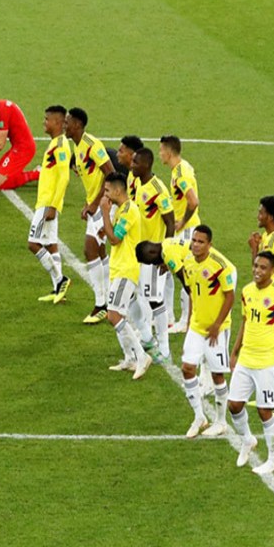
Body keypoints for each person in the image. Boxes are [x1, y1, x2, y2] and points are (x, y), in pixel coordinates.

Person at [228, 251, 274, 474]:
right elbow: (245, 321)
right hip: (246, 359)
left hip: (268, 362)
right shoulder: (247, 291)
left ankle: (273, 460)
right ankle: (248, 440)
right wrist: (234, 351)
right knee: (234, 404)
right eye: (256, 266)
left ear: (272, 271)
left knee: (264, 410)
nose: (258, 271)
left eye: (263, 267)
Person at [178, 225, 237, 438]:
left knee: (217, 375)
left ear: (209, 244)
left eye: (201, 241)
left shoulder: (221, 266)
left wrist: (217, 325)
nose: (195, 244)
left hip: (217, 330)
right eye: (194, 240)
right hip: (196, 326)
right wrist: (189, 322)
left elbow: (230, 296)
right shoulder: (188, 263)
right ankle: (199, 417)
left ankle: (221, 422)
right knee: (187, 368)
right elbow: (193, 293)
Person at [64, 108, 115, 323]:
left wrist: (95, 203)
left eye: (67, 122)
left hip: (106, 204)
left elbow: (110, 173)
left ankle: (101, 304)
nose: (65, 126)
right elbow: (93, 180)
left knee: (89, 248)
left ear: (77, 124)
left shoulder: (92, 145)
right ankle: (112, 297)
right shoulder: (78, 147)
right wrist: (88, 203)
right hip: (97, 204)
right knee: (100, 252)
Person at [101, 172, 151, 379]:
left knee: (113, 315)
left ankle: (141, 356)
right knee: (119, 314)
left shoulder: (130, 210)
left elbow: (114, 239)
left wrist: (104, 213)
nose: (104, 195)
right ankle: (129, 358)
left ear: (118, 190)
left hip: (126, 270)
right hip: (118, 268)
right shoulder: (121, 209)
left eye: (106, 190)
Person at [130, 148, 175, 362]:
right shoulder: (139, 184)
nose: (132, 165)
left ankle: (164, 349)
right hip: (141, 253)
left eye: (135, 162)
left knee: (155, 300)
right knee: (142, 295)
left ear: (146, 165)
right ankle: (149, 337)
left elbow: (170, 222)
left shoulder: (158, 189)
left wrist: (166, 254)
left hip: (155, 256)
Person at [248, 195, 274, 416]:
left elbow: (261, 269)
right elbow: (257, 271)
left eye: (261, 211)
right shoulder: (268, 236)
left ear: (270, 216)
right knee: (271, 347)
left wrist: (255, 249)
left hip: (272, 300)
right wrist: (256, 246)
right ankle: (272, 397)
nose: (258, 214)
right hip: (266, 296)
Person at [28, 105, 71, 304]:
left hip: (47, 203)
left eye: (47, 119)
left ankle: (61, 279)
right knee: (51, 245)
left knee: (33, 243)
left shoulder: (61, 145)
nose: (44, 122)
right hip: (45, 202)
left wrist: (53, 205)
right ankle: (58, 290)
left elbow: (64, 177)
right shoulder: (56, 143)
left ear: (57, 123)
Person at [159, 135, 200, 333]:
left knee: (186, 272)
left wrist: (182, 222)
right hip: (183, 230)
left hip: (187, 231)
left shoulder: (180, 174)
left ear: (168, 151)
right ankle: (169, 316)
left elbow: (193, 201)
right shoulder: (182, 168)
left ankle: (185, 320)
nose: (159, 154)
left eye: (161, 151)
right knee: (170, 269)